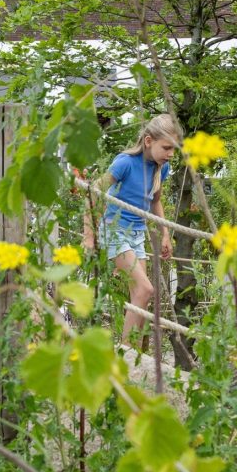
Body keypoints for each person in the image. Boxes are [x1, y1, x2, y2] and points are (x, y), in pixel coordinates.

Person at [82, 114, 180, 342]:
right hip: (115, 229)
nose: (171, 154)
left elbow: (155, 201)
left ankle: (134, 351)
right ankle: (125, 351)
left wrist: (165, 233)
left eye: (174, 149)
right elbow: (93, 193)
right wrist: (89, 236)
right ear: (148, 141)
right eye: (166, 148)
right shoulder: (125, 163)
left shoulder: (160, 168)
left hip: (136, 234)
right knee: (146, 290)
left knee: (140, 296)